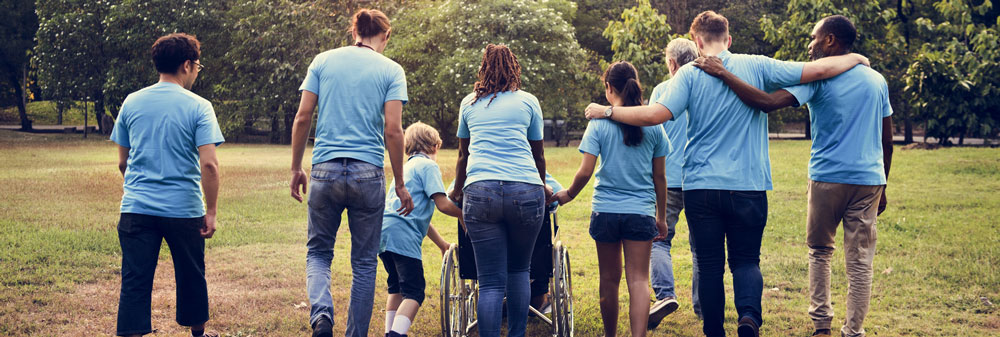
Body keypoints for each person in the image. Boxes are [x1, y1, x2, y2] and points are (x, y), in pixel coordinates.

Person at [582, 11, 870, 337]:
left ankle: (714, 330)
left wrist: (607, 111)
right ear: (729, 39)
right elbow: (819, 69)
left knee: (708, 266)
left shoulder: (689, 74)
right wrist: (857, 58)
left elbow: (654, 115)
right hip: (748, 185)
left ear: (697, 41)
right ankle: (748, 317)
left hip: (701, 188)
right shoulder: (759, 65)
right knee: (747, 261)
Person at [692, 15, 894, 337]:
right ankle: (854, 331)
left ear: (830, 40)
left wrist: (724, 72)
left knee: (820, 251)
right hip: (869, 180)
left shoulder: (816, 80)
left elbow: (768, 103)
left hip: (827, 177)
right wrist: (883, 184)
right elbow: (887, 140)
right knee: (860, 263)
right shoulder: (877, 80)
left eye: (814, 38)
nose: (809, 45)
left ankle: (822, 326)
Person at [288, 8, 415, 337]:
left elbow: (302, 118)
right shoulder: (391, 70)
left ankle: (321, 315)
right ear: (385, 36)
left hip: (325, 170)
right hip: (367, 173)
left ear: (354, 31)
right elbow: (394, 131)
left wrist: (295, 167)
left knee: (318, 252)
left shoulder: (323, 61)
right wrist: (400, 183)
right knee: (363, 263)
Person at [110, 33, 222, 337]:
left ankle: (131, 332)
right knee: (191, 273)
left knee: (135, 277)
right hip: (183, 209)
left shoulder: (132, 102)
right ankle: (198, 331)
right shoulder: (199, 107)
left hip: (137, 208)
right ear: (186, 65)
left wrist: (140, 189)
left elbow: (123, 162)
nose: (197, 70)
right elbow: (209, 164)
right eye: (198, 65)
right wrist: (210, 210)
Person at [550, 61, 670, 337]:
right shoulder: (654, 126)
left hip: (605, 211)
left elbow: (585, 171)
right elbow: (660, 178)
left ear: (609, 88)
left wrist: (568, 194)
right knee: (639, 280)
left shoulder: (598, 125)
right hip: (640, 212)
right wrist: (661, 217)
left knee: (608, 280)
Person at [447, 43, 550, 337]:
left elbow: (463, 156)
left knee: (490, 281)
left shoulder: (469, 103)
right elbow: (538, 155)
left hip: (480, 193)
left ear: (483, 68)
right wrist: (541, 188)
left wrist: (457, 190)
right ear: (514, 68)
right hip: (525, 192)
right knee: (519, 271)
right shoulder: (529, 102)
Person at [379, 122, 462, 337]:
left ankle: (390, 330)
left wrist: (442, 244)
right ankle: (396, 335)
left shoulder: (405, 169)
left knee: (396, 287)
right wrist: (465, 215)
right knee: (415, 292)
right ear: (434, 147)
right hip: (403, 236)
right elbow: (442, 204)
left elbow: (420, 218)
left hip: (384, 234)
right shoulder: (428, 166)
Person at [646, 37, 700, 330]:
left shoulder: (662, 91)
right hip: (701, 179)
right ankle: (704, 305)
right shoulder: (707, 90)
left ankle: (665, 295)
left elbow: (652, 135)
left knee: (659, 239)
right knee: (701, 246)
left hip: (667, 179)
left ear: (671, 63)